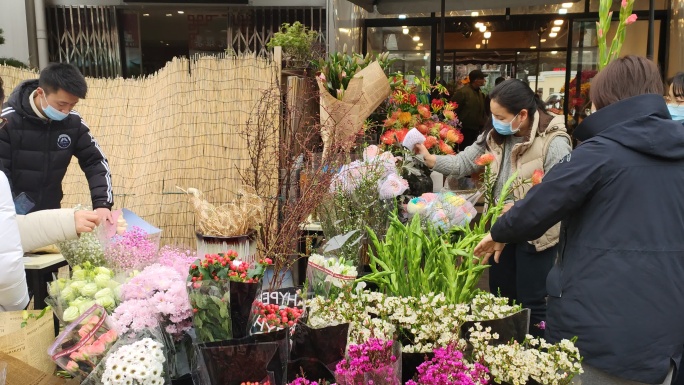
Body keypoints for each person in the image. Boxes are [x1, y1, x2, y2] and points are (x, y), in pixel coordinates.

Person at [474, 56, 682, 385]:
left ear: (607, 101)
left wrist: (500, 231)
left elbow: (538, 207)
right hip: (665, 335)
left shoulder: (600, 153)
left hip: (597, 331)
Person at [415, 79, 572, 337]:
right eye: (493, 115)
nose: (495, 121)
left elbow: (558, 197)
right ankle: (503, 354)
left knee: (531, 302)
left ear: (522, 114)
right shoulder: (495, 136)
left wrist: (519, 207)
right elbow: (465, 162)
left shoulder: (554, 142)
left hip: (536, 236)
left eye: (500, 116)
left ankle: (529, 357)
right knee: (500, 297)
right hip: (501, 231)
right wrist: (430, 158)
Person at [0, 63, 113, 224]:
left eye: (72, 105)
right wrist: (12, 213)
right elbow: (2, 175)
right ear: (41, 93)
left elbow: (95, 161)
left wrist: (102, 203)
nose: (66, 111)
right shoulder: (7, 121)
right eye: (61, 104)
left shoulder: (73, 122)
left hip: (51, 213)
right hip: (11, 217)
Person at [452, 69, 487, 148]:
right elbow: (453, 110)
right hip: (464, 130)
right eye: (482, 78)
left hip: (476, 129)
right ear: (476, 80)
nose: (484, 80)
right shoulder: (462, 92)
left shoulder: (480, 93)